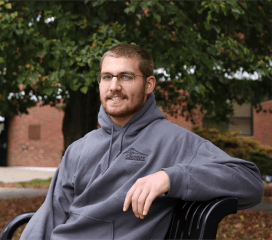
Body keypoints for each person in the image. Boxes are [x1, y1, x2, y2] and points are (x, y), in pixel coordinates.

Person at [20, 44, 264, 239]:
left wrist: (170, 178)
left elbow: (250, 182)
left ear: (149, 84)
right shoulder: (79, 149)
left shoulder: (174, 142)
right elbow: (50, 214)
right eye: (107, 77)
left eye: (125, 77)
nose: (114, 86)